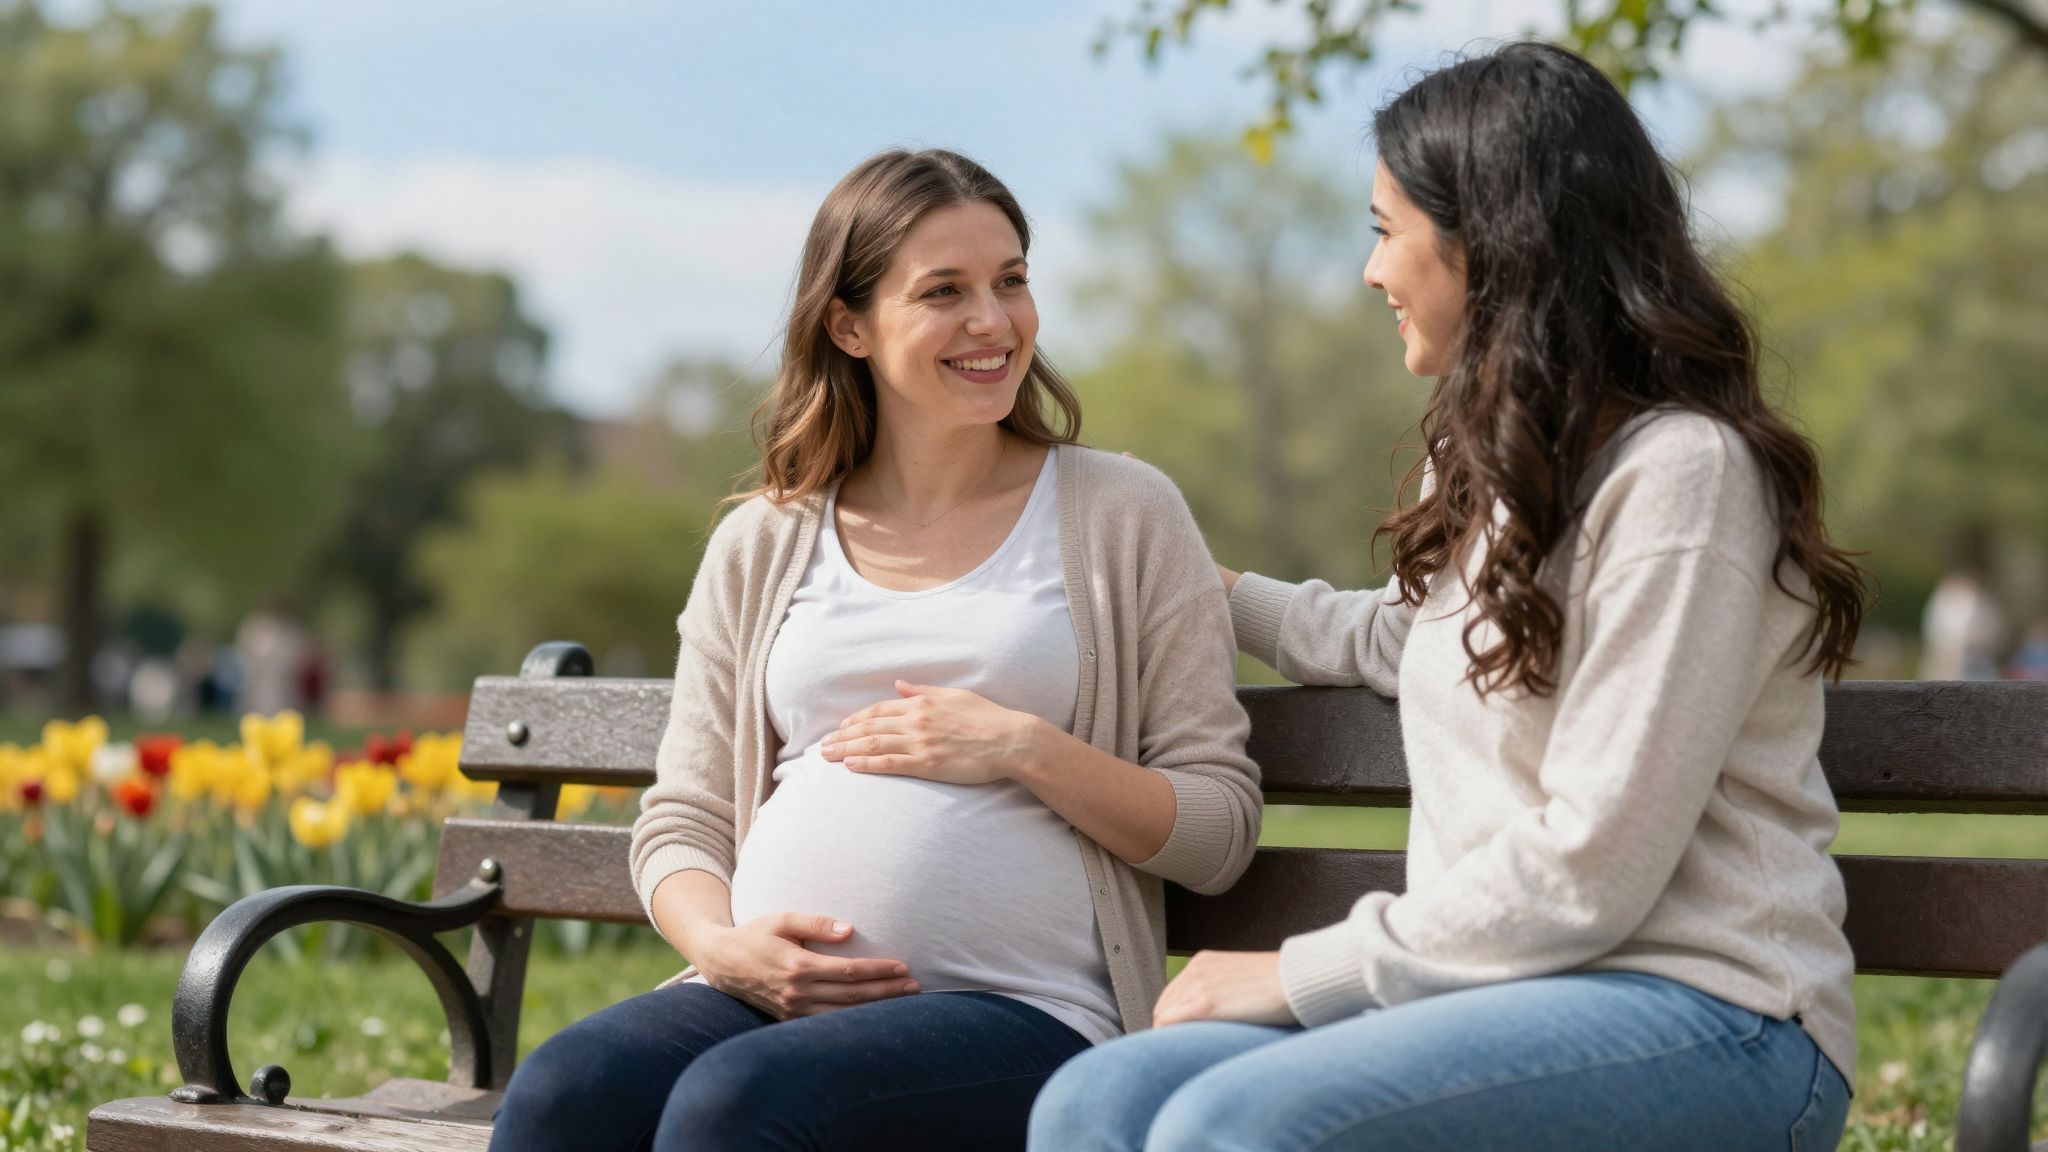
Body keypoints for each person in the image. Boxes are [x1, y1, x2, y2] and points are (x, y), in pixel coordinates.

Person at [1031, 41, 1867, 1152]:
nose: (1369, 272)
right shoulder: (1498, 468)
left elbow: (1594, 864)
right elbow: (1413, 643)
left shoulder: (1684, 477)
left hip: (1716, 1014)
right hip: (1493, 1002)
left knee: (1229, 1126)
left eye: (1384, 231)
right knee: (1095, 1101)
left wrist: (1301, 970)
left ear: (1492, 243)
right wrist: (1205, 588)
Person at [489, 149, 1262, 1152]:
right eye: (944, 292)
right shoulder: (764, 540)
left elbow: (1217, 831)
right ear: (847, 325)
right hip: (761, 1003)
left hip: (1024, 1015)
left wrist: (1022, 747)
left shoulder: (1123, 513)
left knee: (740, 1104)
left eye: (1011, 280)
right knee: (564, 1091)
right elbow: (681, 819)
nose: (993, 320)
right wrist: (726, 951)